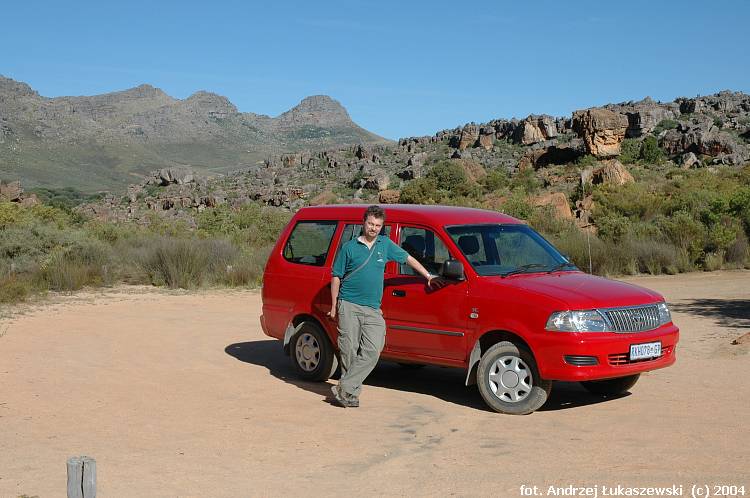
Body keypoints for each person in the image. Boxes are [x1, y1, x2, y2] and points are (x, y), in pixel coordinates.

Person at [328, 205, 437, 408]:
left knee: (373, 349)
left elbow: (408, 258)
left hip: (372, 309)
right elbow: (336, 276)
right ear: (364, 223)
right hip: (349, 304)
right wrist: (334, 305)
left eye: (377, 225)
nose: (373, 228)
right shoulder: (349, 248)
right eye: (370, 224)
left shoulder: (385, 244)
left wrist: (428, 275)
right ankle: (350, 394)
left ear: (381, 226)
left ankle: (344, 386)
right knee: (349, 350)